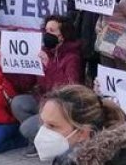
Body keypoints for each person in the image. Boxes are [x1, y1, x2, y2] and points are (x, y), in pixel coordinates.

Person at [41, 84, 126, 165]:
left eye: (52, 126)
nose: (43, 132)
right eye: (43, 123)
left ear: (82, 132)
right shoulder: (120, 158)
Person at [14, 15, 84, 153]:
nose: (47, 34)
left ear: (62, 36)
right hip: (44, 102)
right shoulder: (44, 52)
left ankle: (54, 143)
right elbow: (26, 83)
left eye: (52, 31)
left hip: (62, 107)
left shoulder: (72, 58)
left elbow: (69, 88)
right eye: (46, 30)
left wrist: (49, 65)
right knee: (18, 102)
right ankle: (39, 142)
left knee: (26, 129)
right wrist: (8, 68)